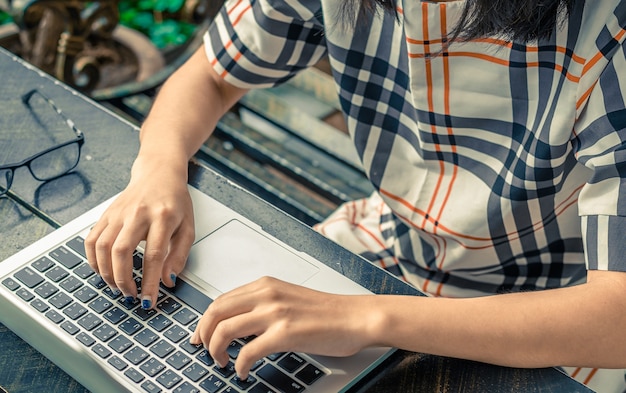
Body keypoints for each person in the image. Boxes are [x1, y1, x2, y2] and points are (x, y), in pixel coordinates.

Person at [84, 0, 626, 391]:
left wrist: (366, 319)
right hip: (386, 250)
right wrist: (157, 170)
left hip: (550, 326)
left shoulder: (610, 29)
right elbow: (213, 74)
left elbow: (616, 316)